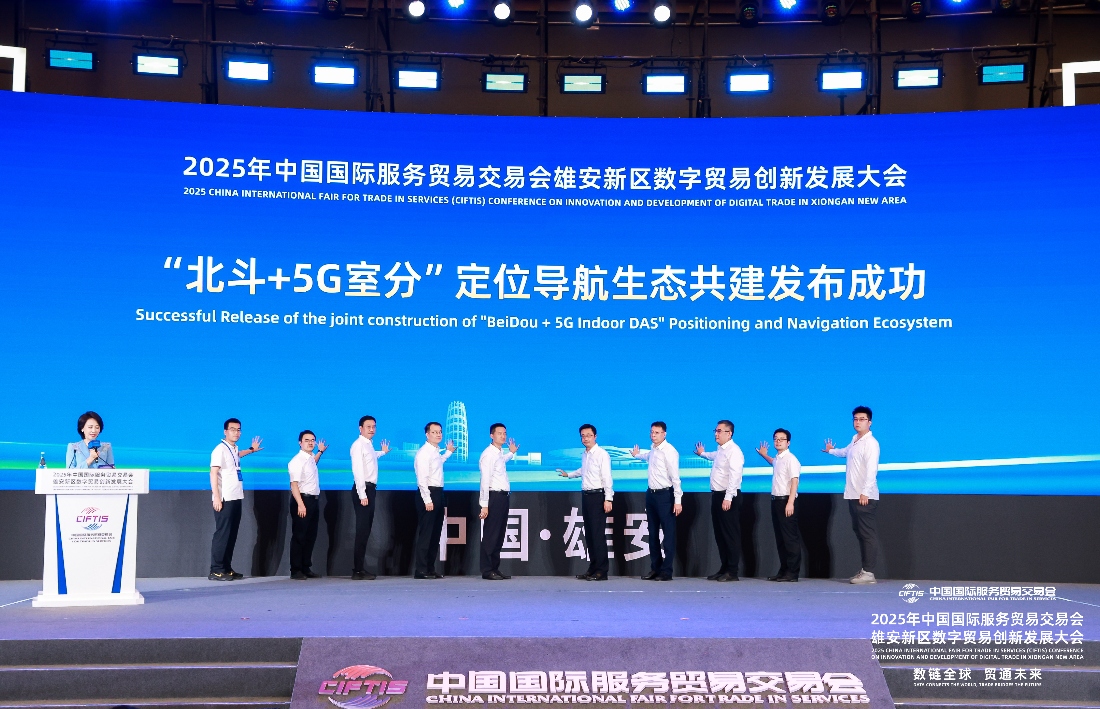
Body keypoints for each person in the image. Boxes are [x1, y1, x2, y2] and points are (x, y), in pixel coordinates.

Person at [824, 405, 881, 585]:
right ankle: (865, 570)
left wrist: (865, 492)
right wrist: (831, 450)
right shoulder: (855, 440)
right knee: (860, 532)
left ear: (870, 422)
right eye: (855, 419)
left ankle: (869, 573)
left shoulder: (871, 444)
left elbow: (872, 470)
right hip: (853, 494)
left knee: (867, 534)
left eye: (862, 419)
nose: (858, 422)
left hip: (865, 496)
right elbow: (845, 452)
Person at [556, 424, 613, 581]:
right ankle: (593, 568)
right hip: (586, 496)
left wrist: (608, 498)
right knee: (590, 534)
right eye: (583, 436)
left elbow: (607, 477)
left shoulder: (602, 454)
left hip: (598, 496)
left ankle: (601, 571)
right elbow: (584, 470)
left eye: (588, 435)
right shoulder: (585, 454)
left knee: (597, 535)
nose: (585, 438)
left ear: (595, 436)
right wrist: (569, 475)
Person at [209, 418, 262, 581]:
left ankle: (226, 568)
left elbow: (237, 456)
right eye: (233, 429)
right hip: (225, 498)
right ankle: (216, 570)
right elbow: (213, 473)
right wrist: (217, 497)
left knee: (231, 535)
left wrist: (251, 450)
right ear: (225, 431)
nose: (236, 432)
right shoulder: (220, 449)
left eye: (239, 430)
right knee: (223, 534)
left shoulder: (233, 448)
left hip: (236, 496)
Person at [694, 419, 743, 582]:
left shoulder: (734, 451)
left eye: (719, 431)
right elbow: (712, 456)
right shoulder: (721, 450)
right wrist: (702, 453)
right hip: (717, 496)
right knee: (720, 534)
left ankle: (732, 571)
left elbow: (735, 476)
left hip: (728, 497)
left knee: (730, 534)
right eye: (715, 431)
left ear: (729, 433)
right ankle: (724, 568)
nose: (716, 434)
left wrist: (728, 497)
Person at [632, 421, 681, 581]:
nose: (653, 435)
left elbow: (675, 478)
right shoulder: (653, 449)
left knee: (668, 535)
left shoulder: (670, 451)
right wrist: (636, 455)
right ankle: (655, 568)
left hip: (665, 496)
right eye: (652, 432)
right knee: (652, 533)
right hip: (651, 495)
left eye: (657, 433)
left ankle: (666, 571)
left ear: (664, 434)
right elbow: (647, 457)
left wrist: (678, 500)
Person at [756, 428, 801, 582]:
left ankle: (792, 573)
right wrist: (764, 455)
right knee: (781, 538)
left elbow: (794, 481)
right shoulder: (778, 459)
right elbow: (773, 462)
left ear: (788, 443)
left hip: (786, 501)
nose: (778, 441)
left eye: (781, 439)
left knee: (790, 538)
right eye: (776, 439)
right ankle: (784, 570)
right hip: (776, 501)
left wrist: (790, 502)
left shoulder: (791, 459)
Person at [413, 421, 455, 579]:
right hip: (428, 494)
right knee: (426, 534)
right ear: (427, 434)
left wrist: (448, 452)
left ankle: (430, 568)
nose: (438, 434)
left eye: (440, 432)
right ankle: (421, 570)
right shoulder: (424, 453)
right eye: (434, 432)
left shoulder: (435, 452)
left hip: (438, 493)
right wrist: (427, 500)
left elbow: (438, 464)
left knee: (435, 534)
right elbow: (422, 480)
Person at [350, 415, 389, 580]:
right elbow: (358, 471)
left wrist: (383, 452)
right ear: (360, 428)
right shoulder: (358, 445)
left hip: (370, 490)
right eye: (368, 427)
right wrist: (362, 494)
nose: (372, 429)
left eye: (374, 426)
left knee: (365, 531)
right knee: (362, 531)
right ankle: (357, 570)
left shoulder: (368, 445)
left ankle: (360, 568)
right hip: (364, 490)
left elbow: (371, 458)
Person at [479, 423, 519, 581]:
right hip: (493, 497)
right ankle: (487, 570)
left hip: (502, 497)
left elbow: (501, 461)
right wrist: (484, 505)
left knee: (499, 534)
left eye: (504, 433)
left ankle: (494, 568)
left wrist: (511, 453)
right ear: (491, 435)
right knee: (491, 534)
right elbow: (485, 481)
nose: (503, 436)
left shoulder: (498, 453)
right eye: (499, 433)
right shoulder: (488, 454)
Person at [288, 430, 327, 580]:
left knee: (310, 536)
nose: (310, 443)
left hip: (313, 501)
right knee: (299, 536)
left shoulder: (310, 458)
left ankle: (306, 567)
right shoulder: (297, 461)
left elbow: (313, 463)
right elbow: (294, 485)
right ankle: (296, 570)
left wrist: (320, 452)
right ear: (300, 443)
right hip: (302, 500)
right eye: (307, 440)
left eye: (312, 440)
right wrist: (300, 504)